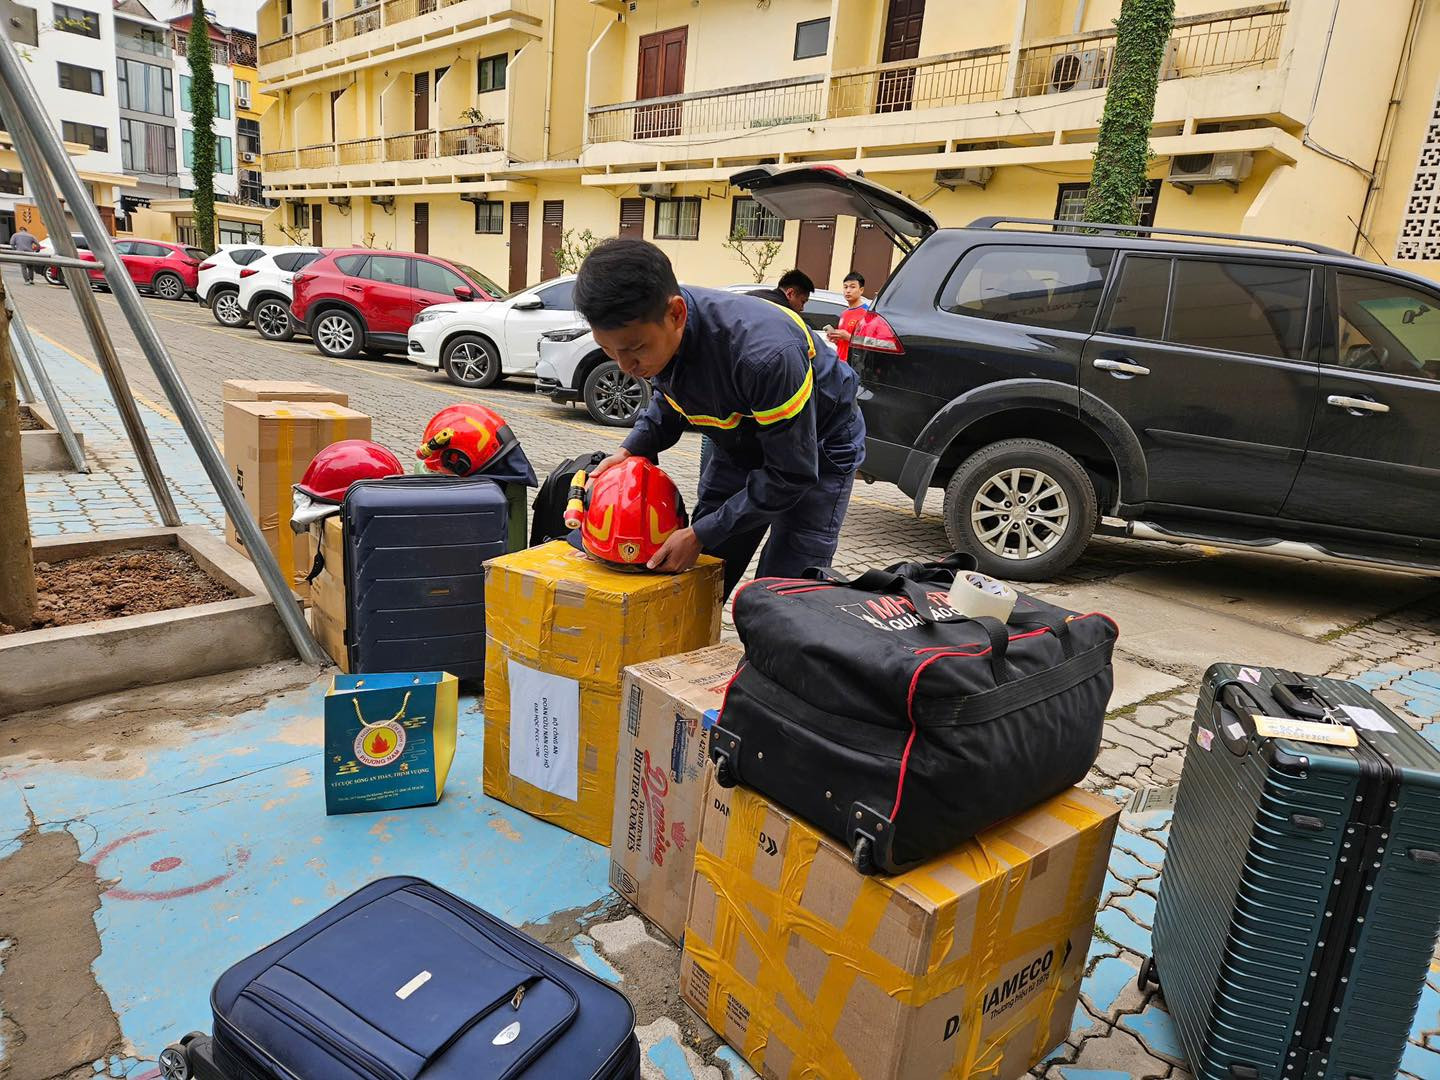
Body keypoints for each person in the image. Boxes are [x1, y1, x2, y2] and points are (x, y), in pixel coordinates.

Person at [574, 238, 865, 598]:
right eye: (608, 350)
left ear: (677, 314)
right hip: (738, 440)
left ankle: (771, 644)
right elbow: (671, 395)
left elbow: (790, 474)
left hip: (817, 445)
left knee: (786, 587)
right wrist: (631, 448)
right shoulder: (656, 327)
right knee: (706, 566)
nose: (626, 368)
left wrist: (699, 534)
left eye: (634, 350)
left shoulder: (764, 356)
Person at [825, 271, 870, 363]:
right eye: (845, 287)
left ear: (861, 290)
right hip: (840, 362)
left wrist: (847, 337)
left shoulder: (867, 313)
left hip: (855, 365)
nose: (848, 290)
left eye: (852, 287)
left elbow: (869, 343)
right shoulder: (844, 313)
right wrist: (837, 339)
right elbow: (844, 343)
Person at [748, 268, 813, 314]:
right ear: (790, 293)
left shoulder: (752, 295)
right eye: (803, 302)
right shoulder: (785, 314)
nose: (802, 309)